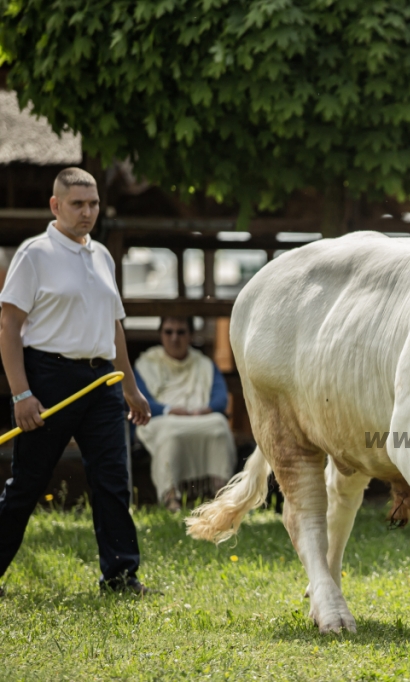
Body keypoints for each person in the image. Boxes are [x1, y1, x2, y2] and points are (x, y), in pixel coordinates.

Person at [0, 167, 154, 596]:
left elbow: (115, 325)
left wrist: (129, 386)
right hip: (49, 378)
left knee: (113, 481)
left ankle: (121, 576)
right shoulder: (34, 254)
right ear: (55, 205)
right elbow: (8, 327)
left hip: (102, 381)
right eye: (77, 204)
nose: (87, 212)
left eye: (93, 204)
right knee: (28, 483)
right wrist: (22, 393)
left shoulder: (102, 255)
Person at [134, 316, 236, 512]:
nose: (174, 338)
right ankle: (171, 498)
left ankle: (220, 493)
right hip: (162, 419)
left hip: (200, 415)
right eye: (168, 332)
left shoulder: (204, 364)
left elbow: (220, 398)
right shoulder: (146, 364)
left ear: (190, 335)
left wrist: (203, 410)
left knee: (220, 427)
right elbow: (140, 400)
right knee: (171, 433)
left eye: (180, 332)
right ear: (161, 335)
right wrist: (169, 410)